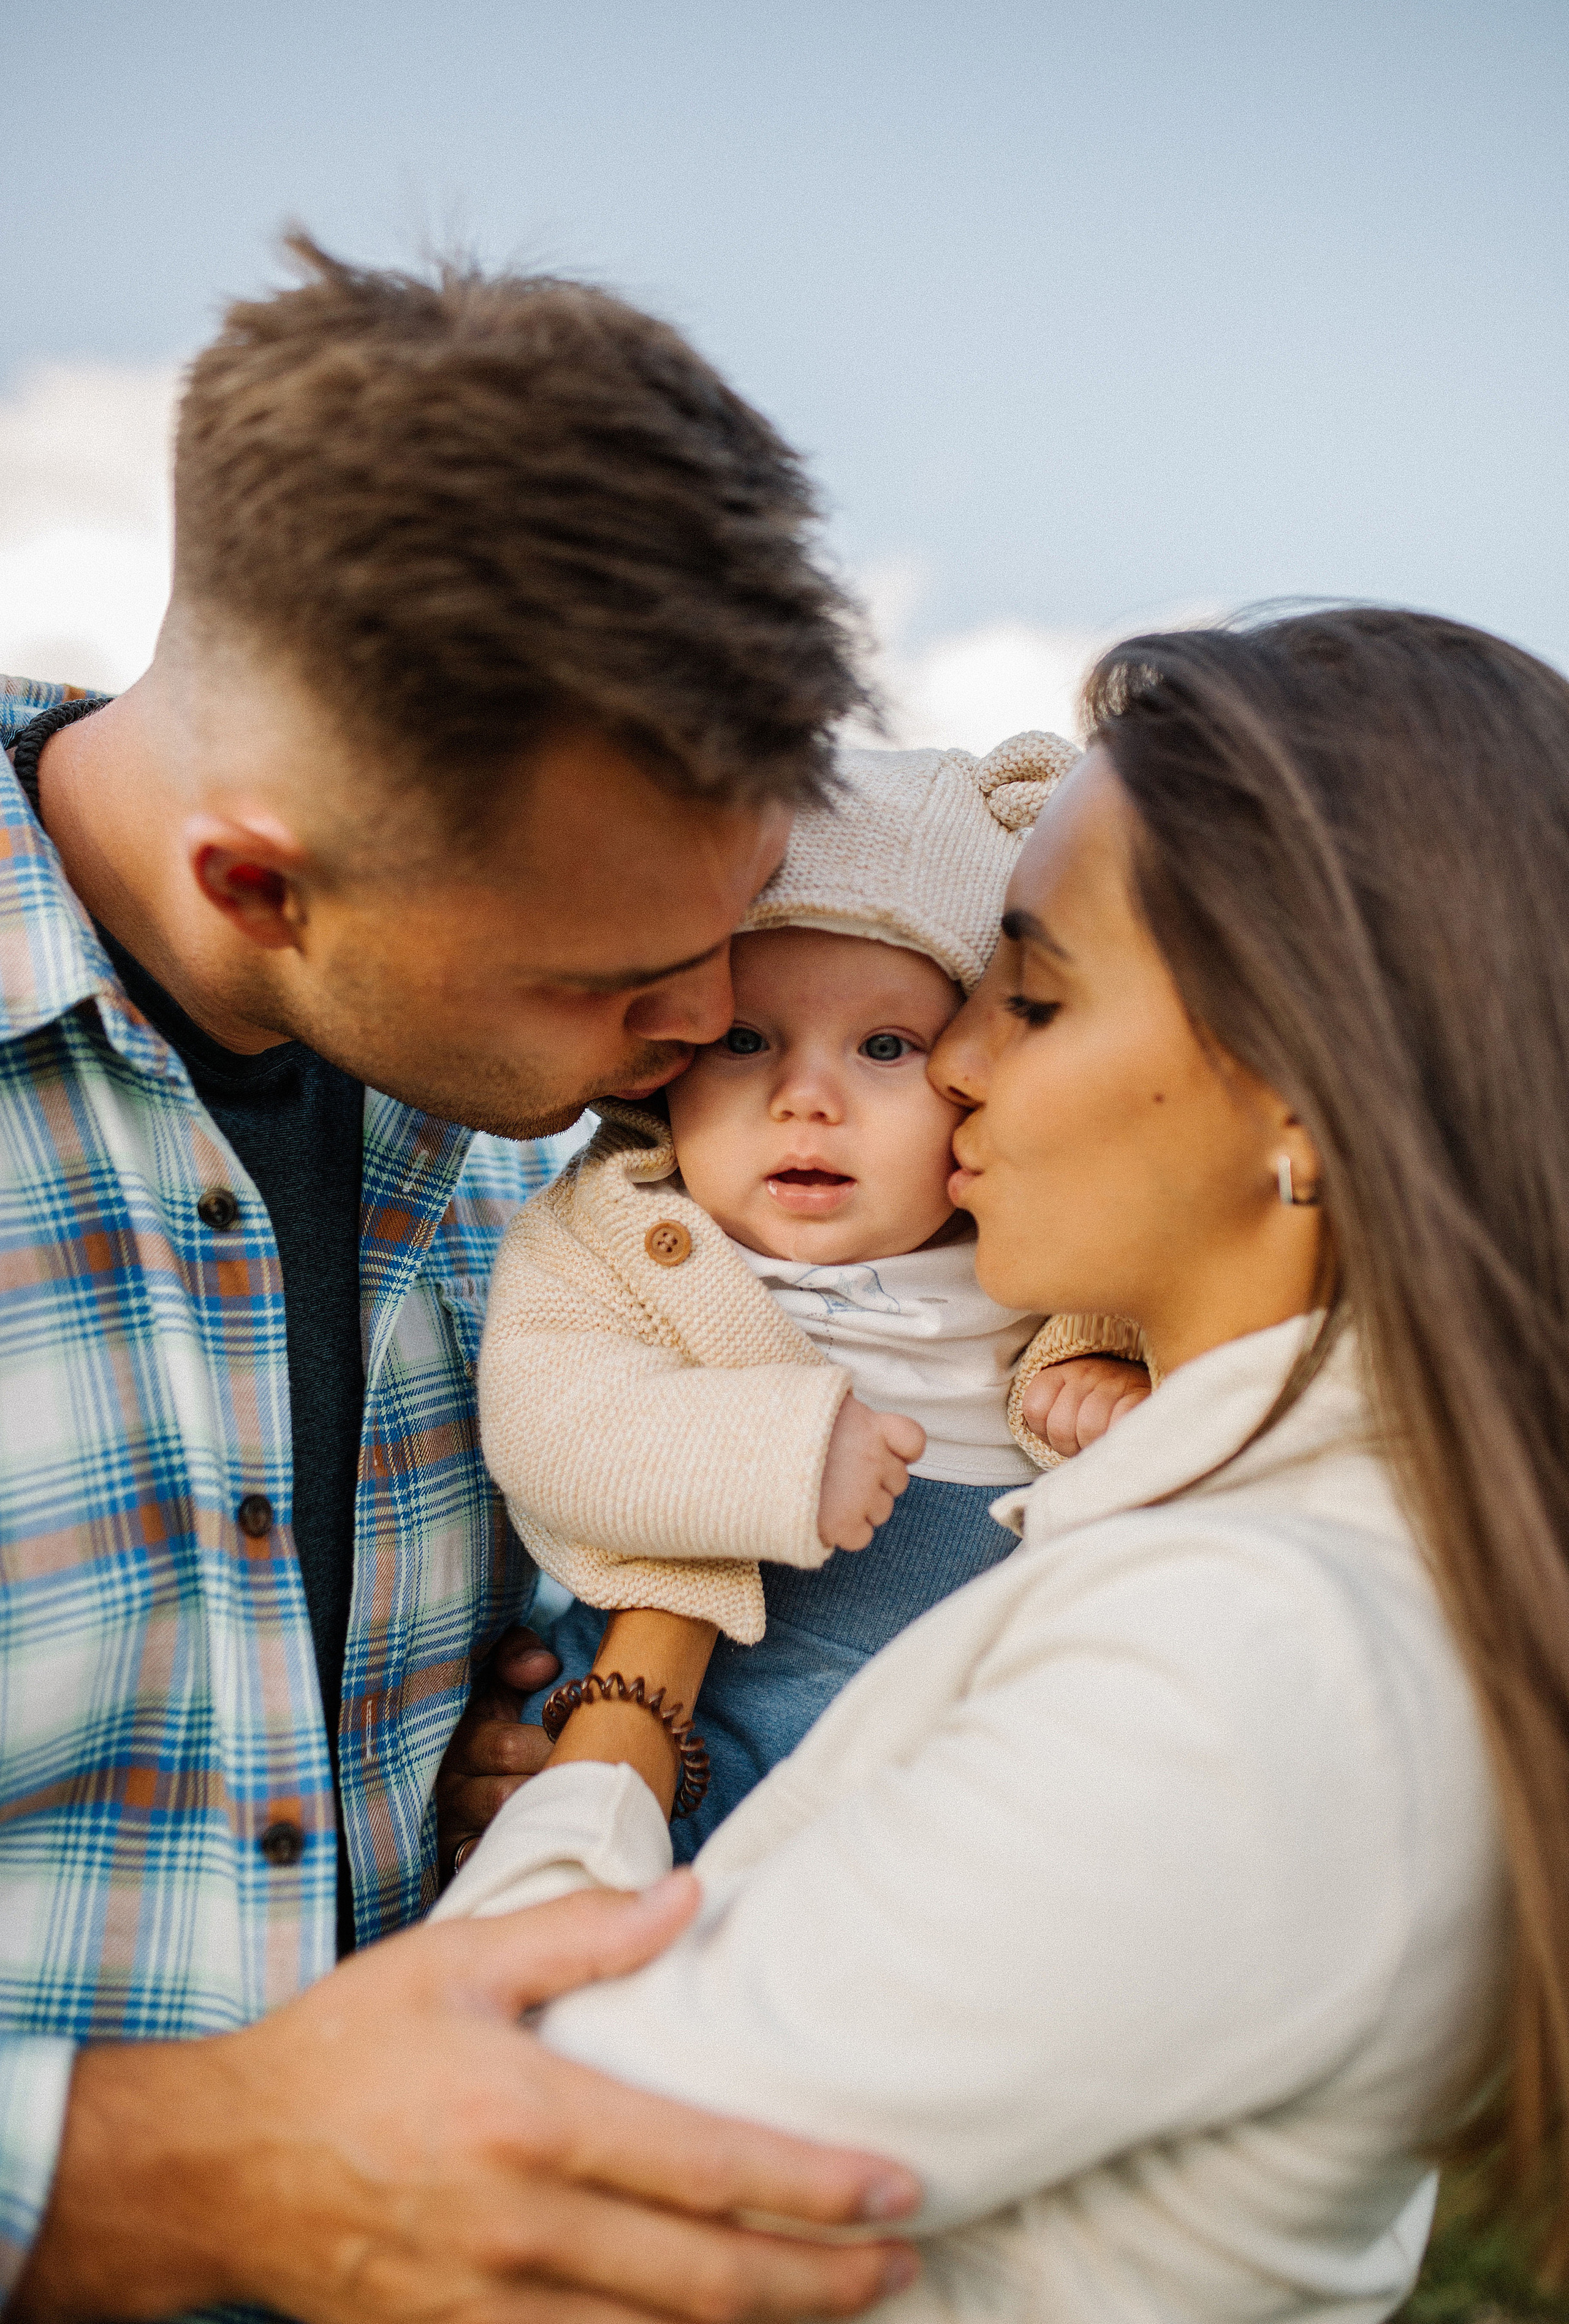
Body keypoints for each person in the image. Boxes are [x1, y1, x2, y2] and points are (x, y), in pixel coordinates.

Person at [435, 607, 1569, 2319]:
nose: (956, 1064)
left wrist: (626, 1710)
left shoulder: (1247, 1668)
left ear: (1302, 1104)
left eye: (1028, 998)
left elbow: (484, 2164)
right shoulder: (1239, 1555)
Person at [0, 240, 929, 2321]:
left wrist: (526, 1748)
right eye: (615, 977)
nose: (702, 1029)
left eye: (739, 918)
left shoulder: (575, 1144)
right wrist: (180, 2179)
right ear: (261, 881)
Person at [473, 733, 1151, 1858]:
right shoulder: (621, 1228)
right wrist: (777, 1451)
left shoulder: (1038, 1243)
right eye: (745, 1040)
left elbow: (1195, 1295)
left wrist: (1121, 1369)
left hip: (957, 1749)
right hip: (700, 1735)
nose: (805, 1098)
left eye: (885, 1046)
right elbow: (545, 1419)